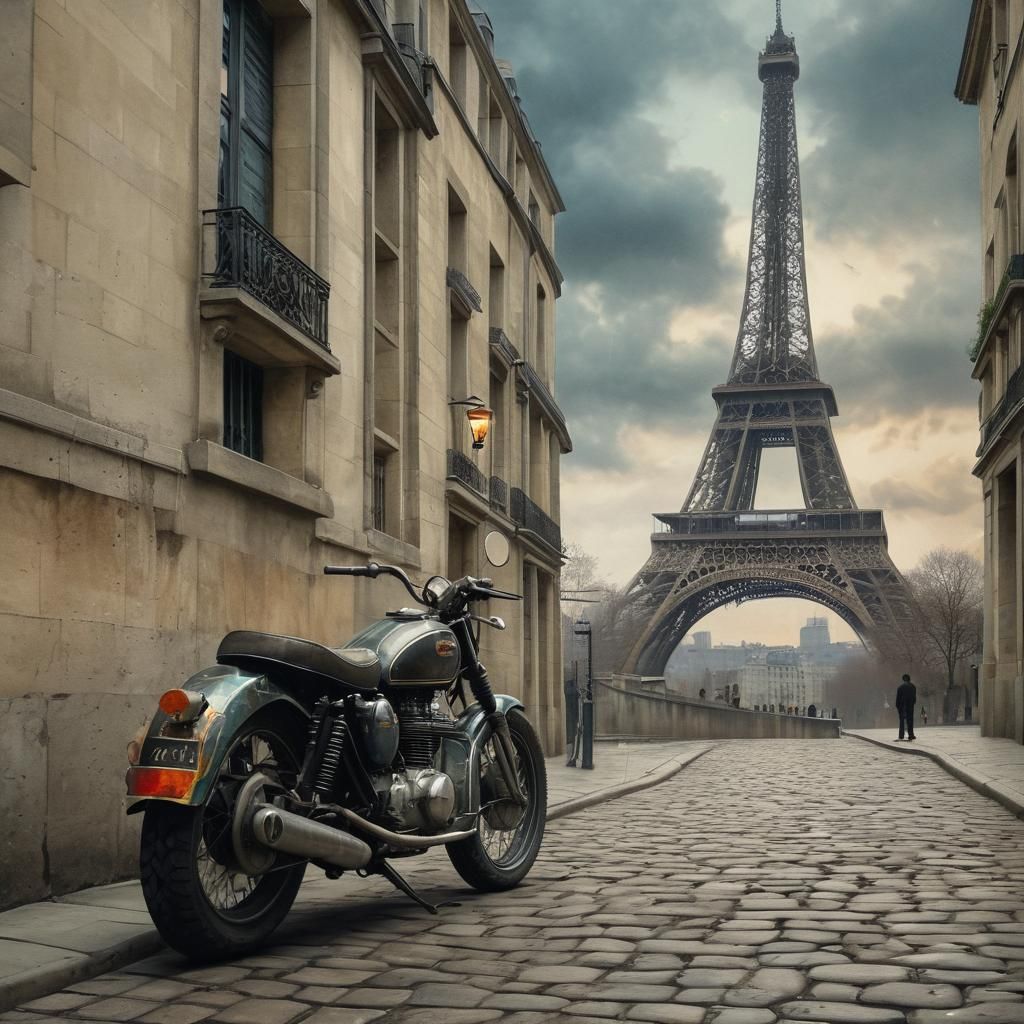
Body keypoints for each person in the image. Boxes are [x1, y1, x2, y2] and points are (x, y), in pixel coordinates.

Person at [896, 673, 917, 741]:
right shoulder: (913, 686)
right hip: (910, 706)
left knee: (902, 721)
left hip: (902, 706)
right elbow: (914, 698)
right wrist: (913, 703)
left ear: (903, 679)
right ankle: (911, 735)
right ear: (909, 679)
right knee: (910, 720)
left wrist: (898, 706)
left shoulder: (900, 687)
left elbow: (898, 698)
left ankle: (901, 735)